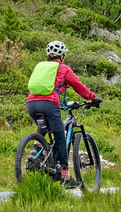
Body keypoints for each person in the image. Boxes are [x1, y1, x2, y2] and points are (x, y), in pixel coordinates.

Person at [26, 41, 101, 188]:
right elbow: (78, 85)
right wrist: (92, 97)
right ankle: (65, 176)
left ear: (49, 56)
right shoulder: (63, 69)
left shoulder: (40, 67)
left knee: (44, 124)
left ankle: (37, 148)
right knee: (60, 137)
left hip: (32, 104)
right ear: (62, 55)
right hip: (49, 104)